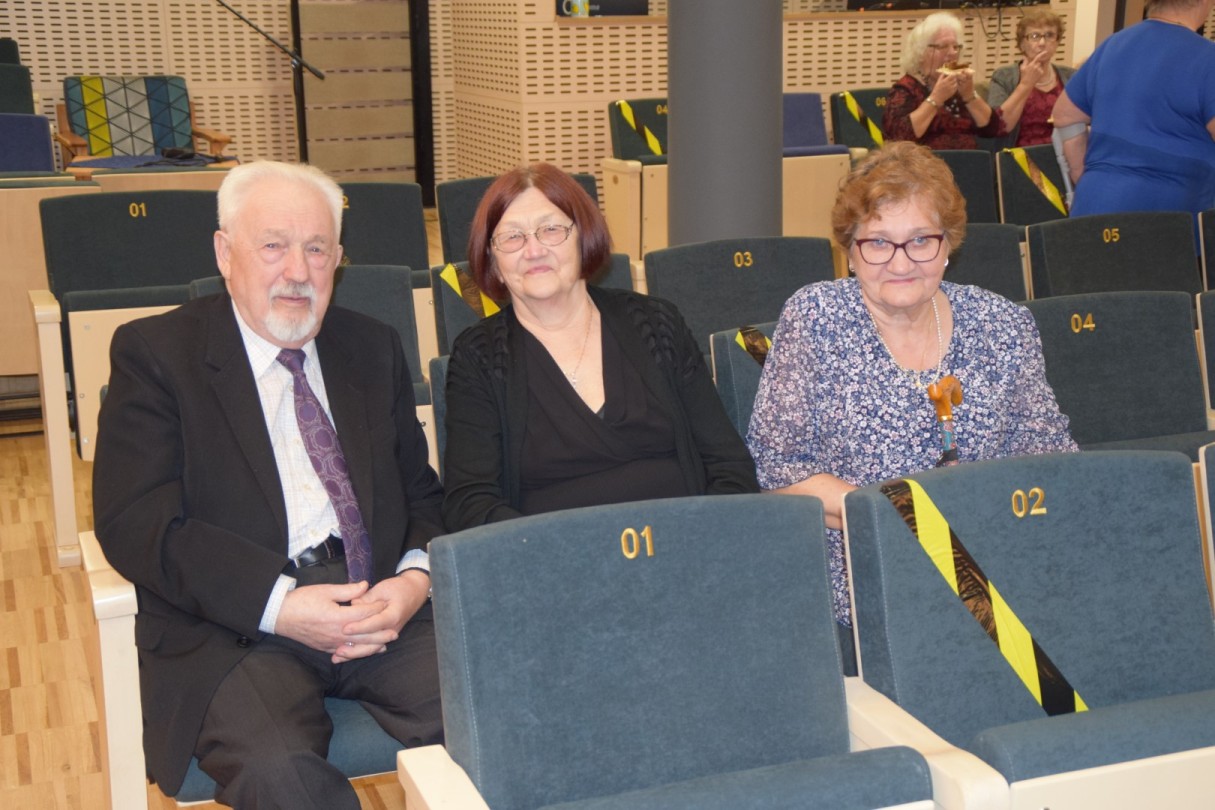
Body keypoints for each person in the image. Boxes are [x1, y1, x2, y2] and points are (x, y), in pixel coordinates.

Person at [92, 161, 444, 808]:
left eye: (317, 249)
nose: (297, 271)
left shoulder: (372, 347)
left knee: (511, 708)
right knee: (281, 776)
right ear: (225, 253)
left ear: (337, 259)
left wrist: (413, 583)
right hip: (236, 625)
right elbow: (137, 524)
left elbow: (421, 493)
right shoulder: (156, 355)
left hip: (377, 606)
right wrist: (281, 605)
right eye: (273, 246)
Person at [747, 142, 1077, 634]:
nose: (901, 264)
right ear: (850, 252)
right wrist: (906, 521)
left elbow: (1050, 453)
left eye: (921, 240)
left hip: (995, 564)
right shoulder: (815, 318)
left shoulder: (1002, 323)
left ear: (948, 245)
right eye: (878, 242)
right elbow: (778, 467)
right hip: (867, 575)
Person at [441, 162, 758, 531]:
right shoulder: (478, 357)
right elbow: (470, 502)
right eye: (512, 237)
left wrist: (703, 537)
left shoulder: (657, 325)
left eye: (551, 229)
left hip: (687, 544)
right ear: (492, 261)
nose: (534, 250)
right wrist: (558, 553)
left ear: (584, 237)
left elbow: (728, 465)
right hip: (554, 559)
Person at [1052, 0, 1215, 218]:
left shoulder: (1113, 44)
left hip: (1095, 208)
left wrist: (1082, 173)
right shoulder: (1208, 58)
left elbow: (1065, 115)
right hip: (1169, 217)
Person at [883, 12, 1004, 149]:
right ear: (921, 52)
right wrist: (936, 98)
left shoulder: (958, 86)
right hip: (926, 161)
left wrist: (969, 95)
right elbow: (898, 137)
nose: (952, 53)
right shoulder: (905, 89)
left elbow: (992, 129)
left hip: (970, 160)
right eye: (943, 46)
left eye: (955, 47)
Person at [986, 9, 1075, 148]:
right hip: (1020, 156)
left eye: (1049, 35)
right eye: (1035, 36)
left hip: (1064, 155)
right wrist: (1026, 84)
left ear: (1057, 42)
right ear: (1022, 43)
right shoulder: (1003, 76)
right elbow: (999, 127)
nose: (1042, 42)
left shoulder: (1071, 76)